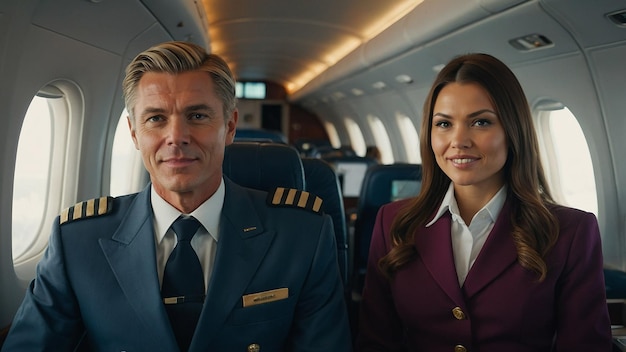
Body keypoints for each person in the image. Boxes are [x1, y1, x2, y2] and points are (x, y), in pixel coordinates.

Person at [2, 41, 351, 351]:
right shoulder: (78, 242)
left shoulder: (301, 236)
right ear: (135, 133)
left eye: (197, 115)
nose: (176, 136)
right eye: (156, 118)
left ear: (229, 126)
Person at [355, 53, 612, 351]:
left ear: (513, 131)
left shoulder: (570, 232)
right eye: (444, 124)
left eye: (480, 122)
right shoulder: (393, 223)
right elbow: (375, 342)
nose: (459, 140)